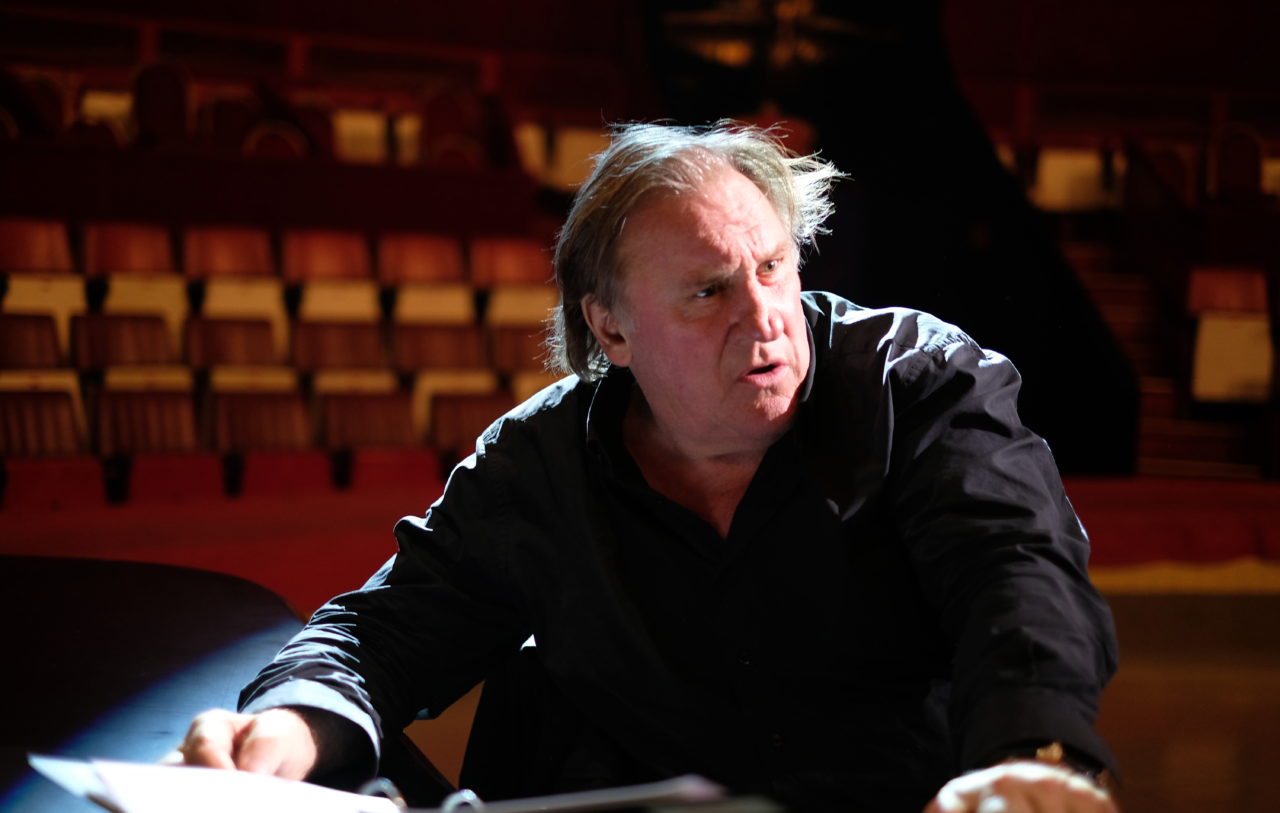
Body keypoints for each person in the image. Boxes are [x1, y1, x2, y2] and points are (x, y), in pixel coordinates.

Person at [172, 122, 1119, 812]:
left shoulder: (919, 381)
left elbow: (1016, 570)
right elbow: (382, 629)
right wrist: (294, 723)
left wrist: (1029, 758)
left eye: (774, 267)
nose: (766, 318)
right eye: (709, 290)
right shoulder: (539, 459)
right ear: (611, 328)